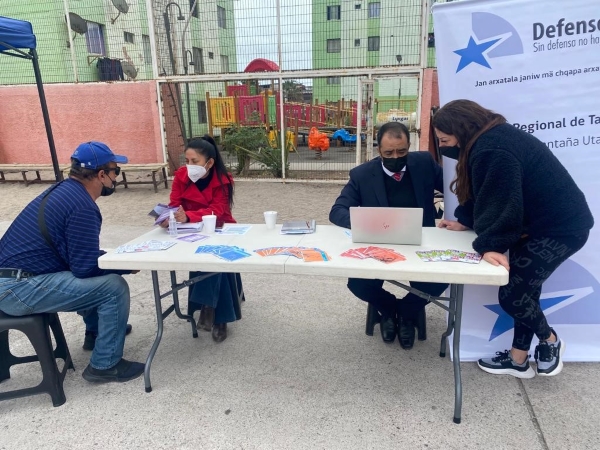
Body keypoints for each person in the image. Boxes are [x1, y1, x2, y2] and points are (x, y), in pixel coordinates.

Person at [433, 99, 594, 378]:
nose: (444, 146)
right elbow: (486, 191)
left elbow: (502, 201)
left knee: (513, 295)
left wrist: (490, 246)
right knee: (527, 293)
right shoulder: (489, 138)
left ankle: (551, 341)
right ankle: (518, 360)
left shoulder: (492, 148)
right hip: (534, 225)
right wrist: (466, 222)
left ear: (462, 129)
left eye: (445, 139)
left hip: (562, 229)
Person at [0, 141, 144, 383]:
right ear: (101, 175)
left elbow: (77, 257)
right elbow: (85, 267)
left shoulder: (65, 191)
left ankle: (96, 332)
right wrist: (126, 265)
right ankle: (105, 364)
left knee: (94, 274)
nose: (116, 177)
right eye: (115, 171)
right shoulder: (82, 207)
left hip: (13, 279)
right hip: (17, 289)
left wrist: (111, 258)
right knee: (113, 287)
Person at [329, 122, 448, 349]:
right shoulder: (362, 175)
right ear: (378, 151)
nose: (396, 157)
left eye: (401, 152)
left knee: (440, 279)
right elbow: (337, 212)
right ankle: (390, 308)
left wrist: (456, 216)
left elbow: (455, 189)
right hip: (379, 244)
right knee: (358, 285)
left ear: (409, 147)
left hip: (420, 242)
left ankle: (406, 311)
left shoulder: (424, 163)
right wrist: (369, 224)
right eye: (389, 153)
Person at [160, 135, 242, 342]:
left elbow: (219, 211)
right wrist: (167, 217)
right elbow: (174, 204)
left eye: (194, 161)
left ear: (210, 162)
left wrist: (189, 215)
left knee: (215, 257)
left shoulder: (224, 179)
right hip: (190, 230)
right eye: (187, 161)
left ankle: (210, 309)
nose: (189, 166)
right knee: (213, 262)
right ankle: (217, 312)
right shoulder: (181, 176)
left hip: (220, 227)